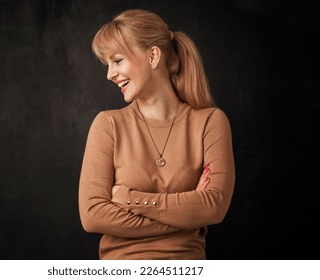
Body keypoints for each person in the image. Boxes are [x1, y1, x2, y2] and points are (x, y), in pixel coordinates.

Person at [78, 8, 235, 260]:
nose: (109, 74)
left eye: (117, 61)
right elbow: (92, 215)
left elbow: (214, 207)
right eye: (107, 64)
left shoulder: (210, 122)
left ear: (152, 56)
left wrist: (129, 198)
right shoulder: (107, 124)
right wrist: (188, 217)